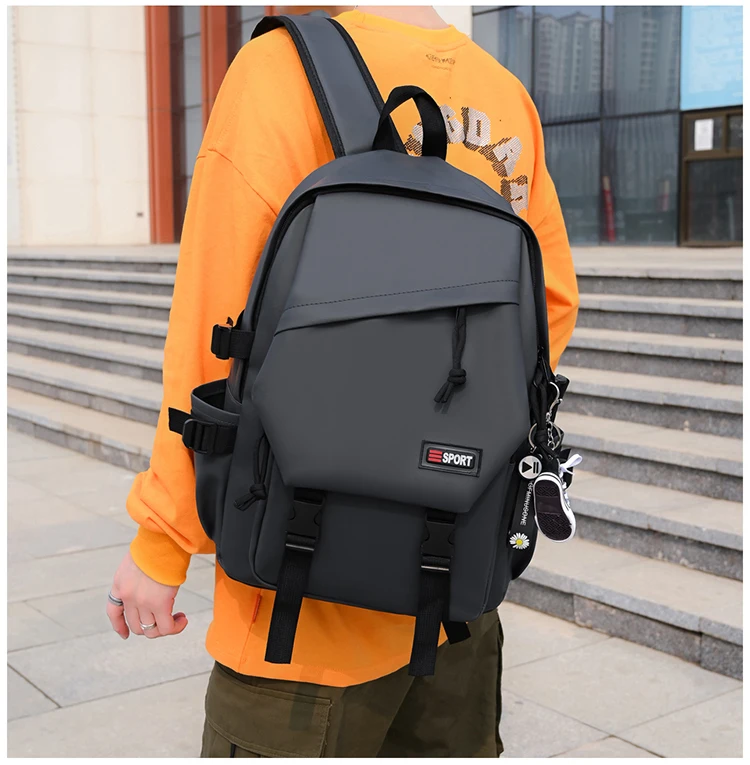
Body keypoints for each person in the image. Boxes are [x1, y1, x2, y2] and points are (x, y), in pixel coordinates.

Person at [107, 5, 578, 757]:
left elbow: (215, 327)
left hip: (299, 618)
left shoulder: (279, 71)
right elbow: (549, 307)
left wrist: (163, 541)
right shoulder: (503, 94)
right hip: (456, 589)